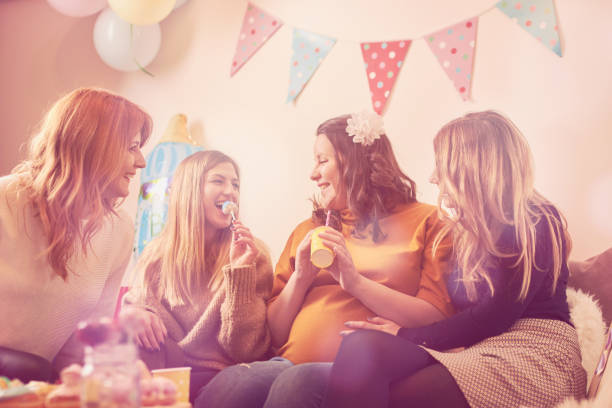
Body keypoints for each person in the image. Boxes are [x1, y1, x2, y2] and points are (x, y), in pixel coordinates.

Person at [322, 110, 587, 408]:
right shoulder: (466, 233)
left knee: (396, 397)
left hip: (535, 353)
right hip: (481, 349)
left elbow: (494, 316)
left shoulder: (536, 219)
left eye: (441, 165)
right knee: (361, 346)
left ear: (471, 166)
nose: (434, 177)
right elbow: (464, 319)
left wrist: (406, 334)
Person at [194, 111, 455, 408]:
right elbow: (275, 334)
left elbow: (436, 317)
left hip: (360, 369)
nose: (312, 174)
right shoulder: (308, 230)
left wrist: (354, 282)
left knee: (297, 383)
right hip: (288, 362)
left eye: (322, 160)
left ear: (355, 160)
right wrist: (301, 277)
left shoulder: (427, 221)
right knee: (235, 382)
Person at [0, 87, 152, 381]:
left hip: (34, 388)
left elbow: (86, 346)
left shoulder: (120, 231)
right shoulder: (5, 199)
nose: (141, 162)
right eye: (132, 147)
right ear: (92, 145)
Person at [121, 150, 273, 400]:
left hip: (224, 377)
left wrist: (240, 273)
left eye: (235, 184)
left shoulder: (253, 255)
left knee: (248, 379)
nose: (230, 191)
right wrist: (135, 314)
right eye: (218, 181)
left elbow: (245, 350)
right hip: (167, 374)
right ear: (190, 190)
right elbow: (134, 305)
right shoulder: (156, 255)